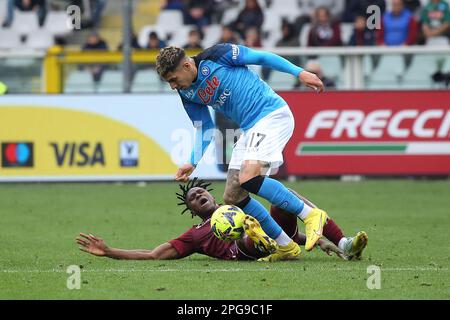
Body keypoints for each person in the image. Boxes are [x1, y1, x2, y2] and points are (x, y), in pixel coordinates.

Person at [155, 43, 328, 262]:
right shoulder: (186, 91)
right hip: (250, 129)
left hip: (270, 114)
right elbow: (205, 127)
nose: (172, 86)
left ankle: (311, 214)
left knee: (248, 177)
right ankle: (285, 246)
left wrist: (299, 72)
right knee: (233, 196)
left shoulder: (219, 55)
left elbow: (262, 58)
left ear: (187, 66)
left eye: (173, 79)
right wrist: (192, 161)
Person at [76, 179, 368, 261]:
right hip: (244, 251)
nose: (199, 195)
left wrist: (318, 243)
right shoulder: (196, 234)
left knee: (285, 197)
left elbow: (280, 229)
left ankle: (343, 243)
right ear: (192, 210)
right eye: (193, 198)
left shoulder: (238, 205)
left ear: (213, 197)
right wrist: (110, 251)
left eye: (202, 191)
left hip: (276, 241)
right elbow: (154, 254)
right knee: (249, 232)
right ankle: (257, 238)